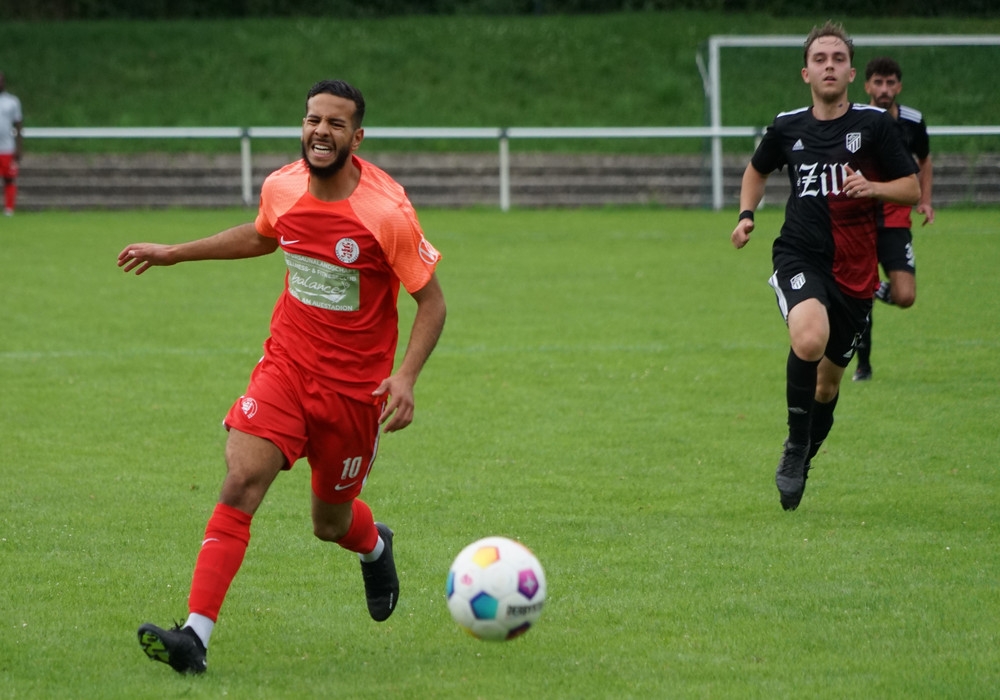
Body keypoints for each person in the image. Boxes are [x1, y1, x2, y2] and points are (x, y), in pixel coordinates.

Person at [118, 79, 447, 674]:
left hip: (354, 393)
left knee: (330, 523)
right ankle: (194, 637)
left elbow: (432, 302)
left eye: (336, 123)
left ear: (357, 137)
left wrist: (405, 377)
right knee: (242, 479)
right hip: (287, 368)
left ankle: (375, 545)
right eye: (313, 119)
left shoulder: (387, 212)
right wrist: (175, 252)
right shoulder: (282, 186)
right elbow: (262, 235)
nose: (321, 131)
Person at [730, 22, 920, 511]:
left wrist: (874, 188)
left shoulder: (874, 126)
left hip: (855, 270)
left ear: (852, 73)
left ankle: (806, 453)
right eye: (820, 59)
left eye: (838, 58)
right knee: (809, 338)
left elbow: (911, 187)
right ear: (806, 73)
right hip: (800, 253)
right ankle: (795, 447)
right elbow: (756, 170)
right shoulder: (787, 126)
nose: (829, 66)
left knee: (827, 384)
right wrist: (747, 215)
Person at [853, 56, 934, 381]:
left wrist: (924, 200)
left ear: (898, 86)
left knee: (905, 296)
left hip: (897, 219)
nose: (884, 89)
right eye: (878, 82)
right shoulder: (856, 120)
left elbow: (924, 160)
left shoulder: (913, 121)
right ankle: (863, 366)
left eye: (890, 83)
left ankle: (874, 287)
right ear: (867, 86)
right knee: (860, 300)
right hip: (861, 219)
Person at [0, 70, 24, 216]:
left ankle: (9, 209)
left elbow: (18, 125)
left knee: (9, 178)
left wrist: (19, 147)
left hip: (7, 148)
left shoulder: (12, 101)